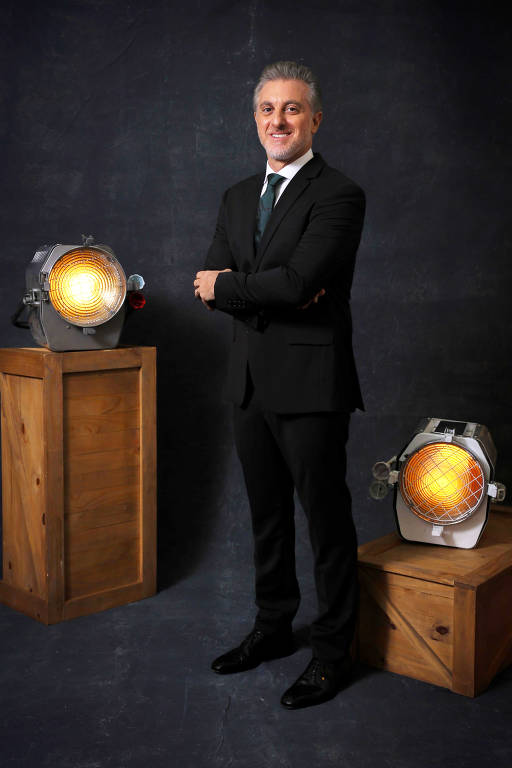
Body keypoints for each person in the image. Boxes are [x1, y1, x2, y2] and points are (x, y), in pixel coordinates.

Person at [194, 61, 365, 709]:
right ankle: (272, 628)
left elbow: (292, 285)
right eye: (268, 109)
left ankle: (331, 651)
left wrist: (242, 287)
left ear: (314, 119)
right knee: (266, 518)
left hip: (311, 383)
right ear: (256, 119)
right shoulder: (238, 195)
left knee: (325, 520)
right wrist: (270, 289)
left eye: (292, 109)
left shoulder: (339, 194)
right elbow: (213, 284)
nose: (278, 121)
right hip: (247, 382)